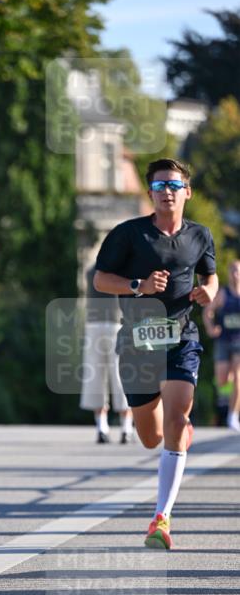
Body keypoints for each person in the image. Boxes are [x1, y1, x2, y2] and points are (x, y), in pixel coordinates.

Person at [94, 158, 218, 550]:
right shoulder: (128, 234)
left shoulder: (200, 236)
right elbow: (101, 279)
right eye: (161, 185)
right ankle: (173, 441)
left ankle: (161, 517)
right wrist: (138, 286)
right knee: (151, 436)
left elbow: (209, 275)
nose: (168, 191)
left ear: (188, 192)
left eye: (175, 185)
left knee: (179, 415)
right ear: (150, 193)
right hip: (137, 344)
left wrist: (209, 291)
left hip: (182, 337)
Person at [79, 265, 133, 444]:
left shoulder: (91, 271)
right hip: (116, 324)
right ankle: (126, 427)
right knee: (120, 376)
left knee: (96, 376)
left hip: (94, 325)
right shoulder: (122, 270)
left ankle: (102, 426)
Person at [203, 259, 240, 431]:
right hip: (224, 340)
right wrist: (211, 328)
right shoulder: (223, 293)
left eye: (238, 270)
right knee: (223, 379)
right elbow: (207, 311)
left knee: (238, 377)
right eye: (232, 270)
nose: (235, 274)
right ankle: (227, 398)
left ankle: (233, 416)